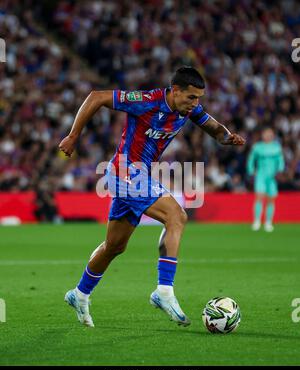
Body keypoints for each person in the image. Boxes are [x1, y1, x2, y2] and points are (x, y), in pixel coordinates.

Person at [59, 66, 245, 327]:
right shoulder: (146, 101)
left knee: (114, 246)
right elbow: (96, 97)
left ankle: (79, 294)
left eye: (199, 98)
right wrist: (73, 135)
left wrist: (227, 137)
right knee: (176, 215)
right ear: (176, 90)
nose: (196, 104)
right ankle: (164, 290)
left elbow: (213, 127)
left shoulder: (189, 109)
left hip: (139, 176)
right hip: (123, 172)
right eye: (192, 97)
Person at [247, 127, 285, 232]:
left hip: (272, 177)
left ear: (273, 135)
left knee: (271, 200)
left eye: (270, 134)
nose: (268, 135)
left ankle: (268, 222)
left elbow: (280, 160)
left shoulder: (277, 147)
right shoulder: (257, 147)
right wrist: (251, 170)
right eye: (266, 133)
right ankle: (257, 221)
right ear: (262, 135)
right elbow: (251, 159)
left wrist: (280, 171)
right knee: (259, 197)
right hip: (260, 176)